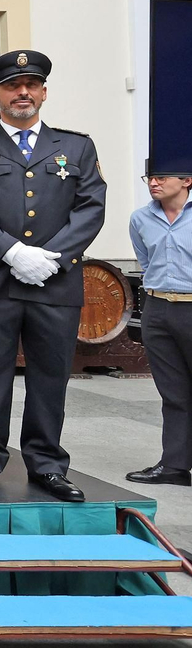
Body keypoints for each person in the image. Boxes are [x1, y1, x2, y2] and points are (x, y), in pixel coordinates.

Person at [0, 49, 105, 502]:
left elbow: (91, 207)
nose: (22, 93)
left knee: (50, 376)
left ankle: (45, 463)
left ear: (44, 91)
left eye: (31, 85)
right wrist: (13, 252)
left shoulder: (76, 146)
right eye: (11, 86)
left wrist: (53, 257)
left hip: (54, 283)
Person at [125, 159, 192, 485]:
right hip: (159, 308)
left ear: (187, 181)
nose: (153, 183)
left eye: (161, 177)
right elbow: (146, 261)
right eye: (149, 177)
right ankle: (175, 466)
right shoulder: (140, 219)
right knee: (173, 392)